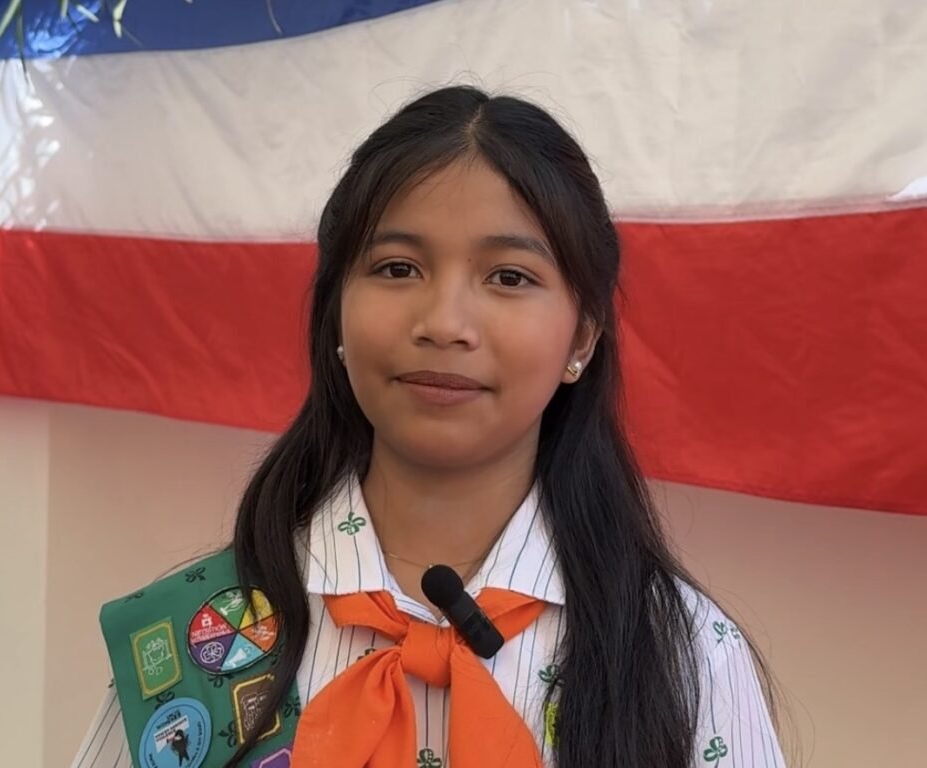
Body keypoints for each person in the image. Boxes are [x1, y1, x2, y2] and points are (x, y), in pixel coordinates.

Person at [72, 85, 787, 768]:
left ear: (582, 337)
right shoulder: (190, 639)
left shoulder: (686, 655)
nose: (444, 323)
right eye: (397, 268)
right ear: (336, 316)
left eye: (509, 277)